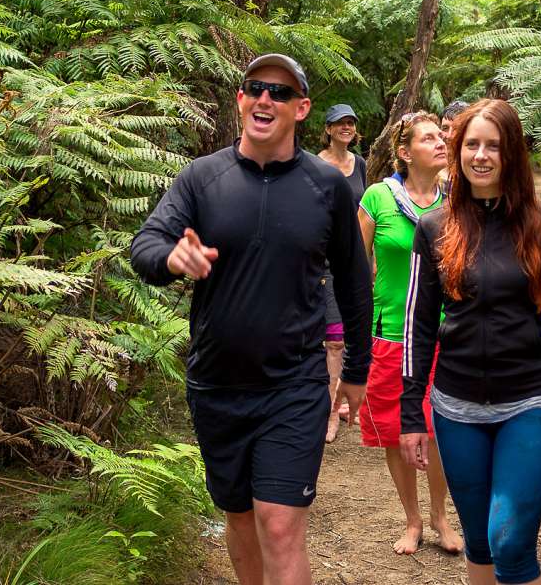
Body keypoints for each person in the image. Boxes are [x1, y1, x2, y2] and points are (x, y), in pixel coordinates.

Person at [131, 54, 372, 585]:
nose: (265, 99)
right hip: (217, 384)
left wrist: (356, 371)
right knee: (240, 518)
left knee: (280, 525)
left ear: (302, 109)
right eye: (255, 88)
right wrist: (173, 259)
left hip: (295, 382)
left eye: (280, 93)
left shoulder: (325, 187)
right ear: (240, 100)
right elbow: (144, 246)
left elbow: (355, 283)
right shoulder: (202, 177)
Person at [400, 98, 541, 585]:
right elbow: (417, 327)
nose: (481, 156)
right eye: (472, 144)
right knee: (481, 542)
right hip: (456, 407)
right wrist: (410, 413)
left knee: (509, 540)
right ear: (458, 151)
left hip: (531, 402)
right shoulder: (435, 228)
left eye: (494, 146)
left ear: (512, 156)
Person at [357, 111, 462, 556]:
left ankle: (441, 517)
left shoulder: (455, 201)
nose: (441, 143)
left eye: (442, 136)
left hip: (444, 332)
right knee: (396, 429)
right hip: (390, 332)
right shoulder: (377, 198)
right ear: (404, 152)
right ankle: (413, 520)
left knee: (440, 429)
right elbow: (355, 269)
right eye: (429, 138)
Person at [318, 103, 367, 442]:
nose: (346, 128)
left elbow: (365, 213)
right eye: (340, 123)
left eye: (350, 123)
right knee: (332, 340)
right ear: (329, 129)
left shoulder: (359, 164)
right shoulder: (315, 164)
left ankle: (344, 401)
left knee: (350, 334)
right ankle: (329, 413)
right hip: (321, 261)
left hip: (353, 260)